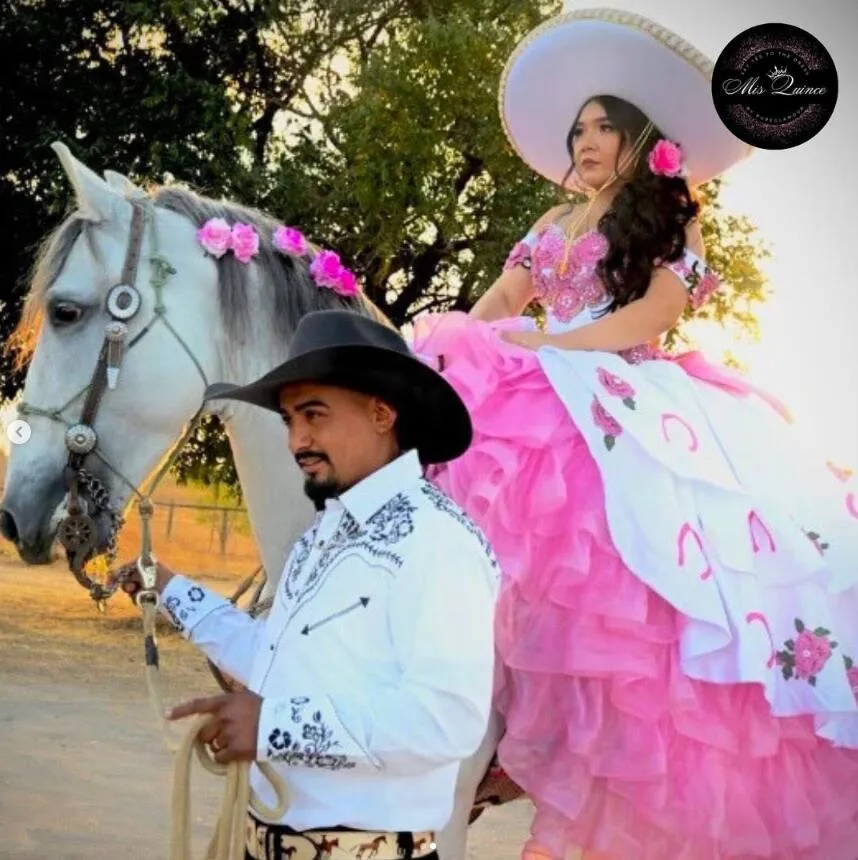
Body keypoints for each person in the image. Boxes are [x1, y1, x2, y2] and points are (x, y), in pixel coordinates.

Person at [409, 6, 858, 860]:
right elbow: (499, 307)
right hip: (547, 365)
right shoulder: (548, 228)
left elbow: (656, 312)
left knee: (623, 539)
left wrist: (553, 348)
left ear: (637, 138)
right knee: (476, 463)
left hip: (626, 385)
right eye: (576, 128)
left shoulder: (667, 222)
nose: (583, 139)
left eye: (602, 127)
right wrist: (455, 359)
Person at [117, 310, 500, 860]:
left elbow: (447, 720)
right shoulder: (323, 534)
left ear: (381, 412)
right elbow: (277, 662)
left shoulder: (438, 541)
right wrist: (172, 590)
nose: (297, 441)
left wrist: (272, 725)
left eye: (314, 415)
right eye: (289, 421)